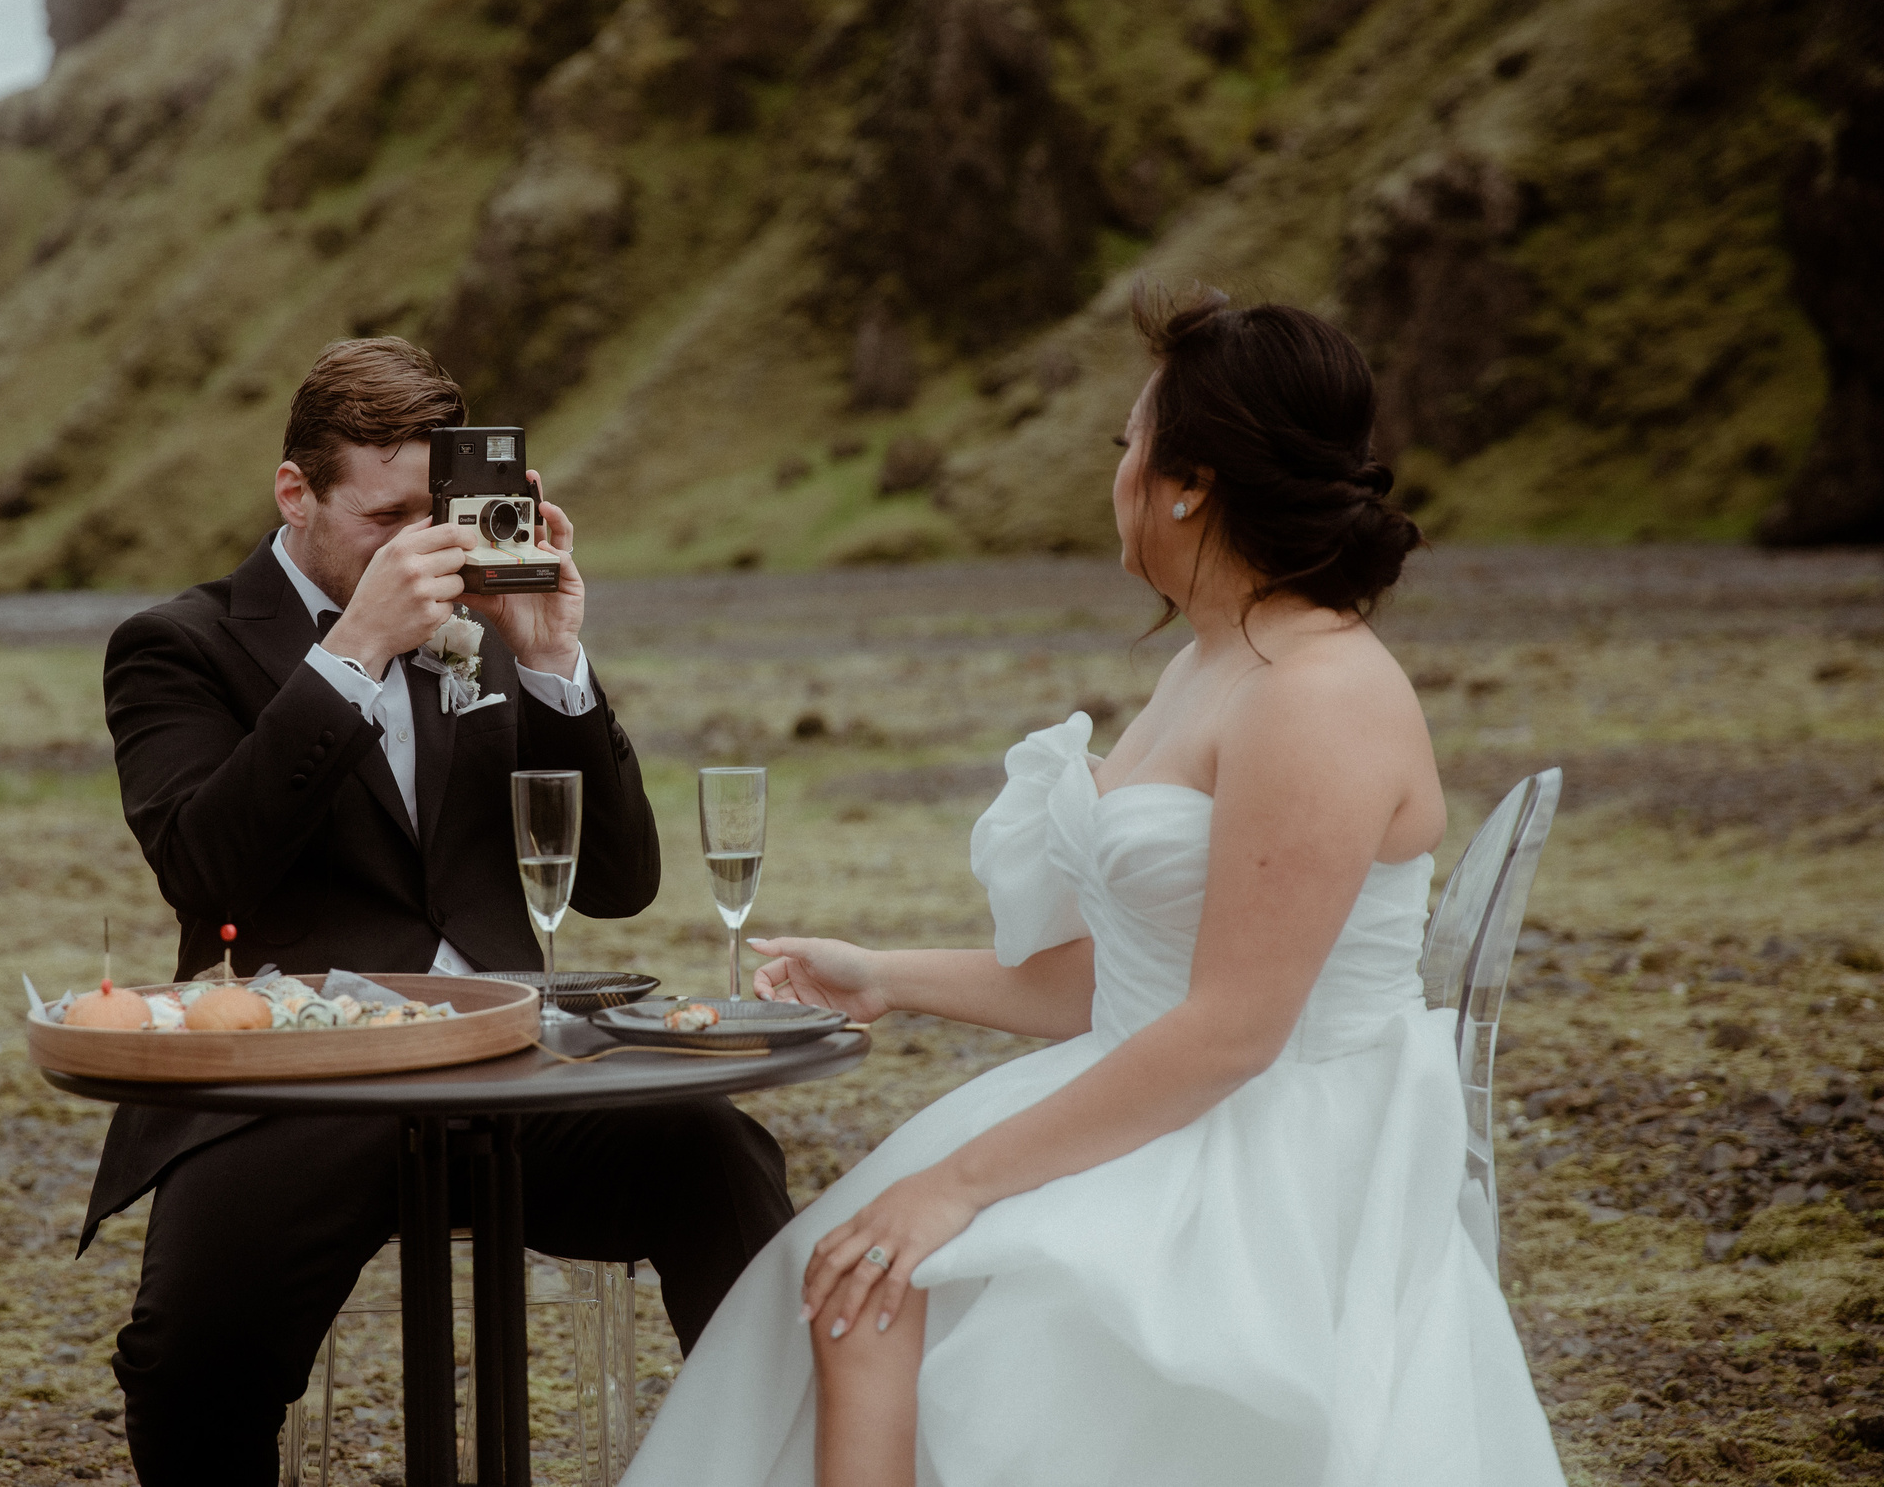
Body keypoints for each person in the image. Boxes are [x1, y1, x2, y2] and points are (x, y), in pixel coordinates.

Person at [619, 293, 1567, 1487]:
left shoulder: (1315, 693)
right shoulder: (1206, 661)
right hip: (1167, 1081)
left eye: (1129, 442)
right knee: (848, 1287)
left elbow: (1231, 1026)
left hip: (1273, 1136)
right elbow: (1131, 981)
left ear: (1188, 483)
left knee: (883, 1282)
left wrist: (951, 1187)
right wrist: (888, 978)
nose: (1114, 470)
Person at [83, 336, 792, 1486]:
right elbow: (205, 869)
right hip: (300, 1089)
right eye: (386, 517)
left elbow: (618, 885)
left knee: (716, 1155)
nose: (423, 549)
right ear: (293, 493)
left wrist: (557, 664)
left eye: (443, 516)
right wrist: (356, 649)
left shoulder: (492, 631)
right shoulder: (181, 645)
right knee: (187, 1358)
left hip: (514, 1067)